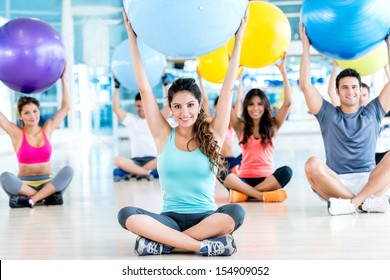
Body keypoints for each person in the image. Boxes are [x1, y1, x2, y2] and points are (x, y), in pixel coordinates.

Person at [117, 8, 247, 256]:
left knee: (235, 213)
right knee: (126, 215)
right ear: (171, 109)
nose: (184, 112)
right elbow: (145, 89)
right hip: (170, 219)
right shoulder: (163, 135)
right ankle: (202, 247)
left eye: (190, 105)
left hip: (207, 218)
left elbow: (228, 89)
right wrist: (132, 40)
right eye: (176, 106)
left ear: (199, 106)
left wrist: (238, 38)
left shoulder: (214, 135)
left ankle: (163, 244)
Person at [299, 23, 390, 216]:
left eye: (354, 87)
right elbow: (306, 85)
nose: (350, 91)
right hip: (336, 182)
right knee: (312, 164)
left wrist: (389, 44)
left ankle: (353, 203)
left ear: (360, 90)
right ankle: (365, 202)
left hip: (369, 180)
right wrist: (305, 47)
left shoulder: (373, 111)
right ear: (337, 91)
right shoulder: (327, 113)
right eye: (345, 87)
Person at [219, 52, 293, 203]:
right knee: (218, 169)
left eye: (260, 104)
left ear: (265, 107)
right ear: (246, 107)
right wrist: (232, 70)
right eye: (251, 104)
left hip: (267, 180)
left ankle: (246, 195)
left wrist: (284, 72)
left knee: (287, 171)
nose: (255, 108)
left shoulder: (273, 125)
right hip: (244, 179)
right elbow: (226, 98)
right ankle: (259, 195)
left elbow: (288, 103)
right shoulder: (240, 126)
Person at [0, 67, 74, 208]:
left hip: (47, 183)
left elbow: (66, 107)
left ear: (39, 111)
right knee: (5, 177)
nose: (32, 116)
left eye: (35, 111)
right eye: (27, 113)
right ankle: (45, 197)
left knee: (68, 171)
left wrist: (64, 80)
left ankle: (31, 200)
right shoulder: (16, 133)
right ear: (20, 116)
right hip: (24, 186)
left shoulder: (48, 128)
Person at [328, 61, 389, 164]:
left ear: (368, 96)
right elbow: (331, 91)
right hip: (350, 161)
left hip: (371, 157)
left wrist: (386, 67)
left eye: (364, 95)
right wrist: (335, 67)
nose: (361, 98)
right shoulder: (343, 109)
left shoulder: (373, 111)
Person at [112, 75, 170, 182]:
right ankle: (147, 173)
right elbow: (116, 108)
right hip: (136, 160)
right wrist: (116, 87)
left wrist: (165, 83)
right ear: (135, 106)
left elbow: (170, 105)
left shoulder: (156, 119)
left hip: (154, 159)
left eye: (143, 105)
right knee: (117, 160)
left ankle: (132, 171)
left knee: (166, 159)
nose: (141, 108)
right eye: (138, 106)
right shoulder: (131, 120)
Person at [197, 68, 242, 172]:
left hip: (231, 160)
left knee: (248, 154)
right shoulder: (212, 123)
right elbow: (205, 101)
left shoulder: (231, 124)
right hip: (218, 161)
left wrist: (239, 78)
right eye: (219, 106)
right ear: (215, 108)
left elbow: (238, 100)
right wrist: (200, 79)